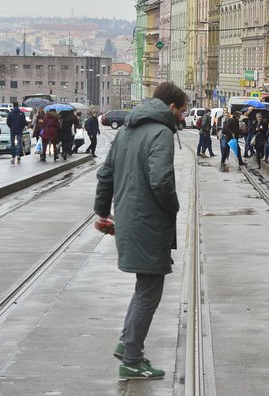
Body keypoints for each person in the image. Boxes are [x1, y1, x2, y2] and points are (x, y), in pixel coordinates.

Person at [94, 81, 186, 381]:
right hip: (149, 221)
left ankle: (127, 342)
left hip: (130, 219)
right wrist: (173, 207)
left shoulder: (125, 130)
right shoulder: (161, 133)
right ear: (170, 107)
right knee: (149, 292)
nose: (183, 118)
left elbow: (105, 173)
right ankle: (132, 359)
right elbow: (161, 181)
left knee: (143, 286)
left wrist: (102, 210)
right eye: (182, 112)